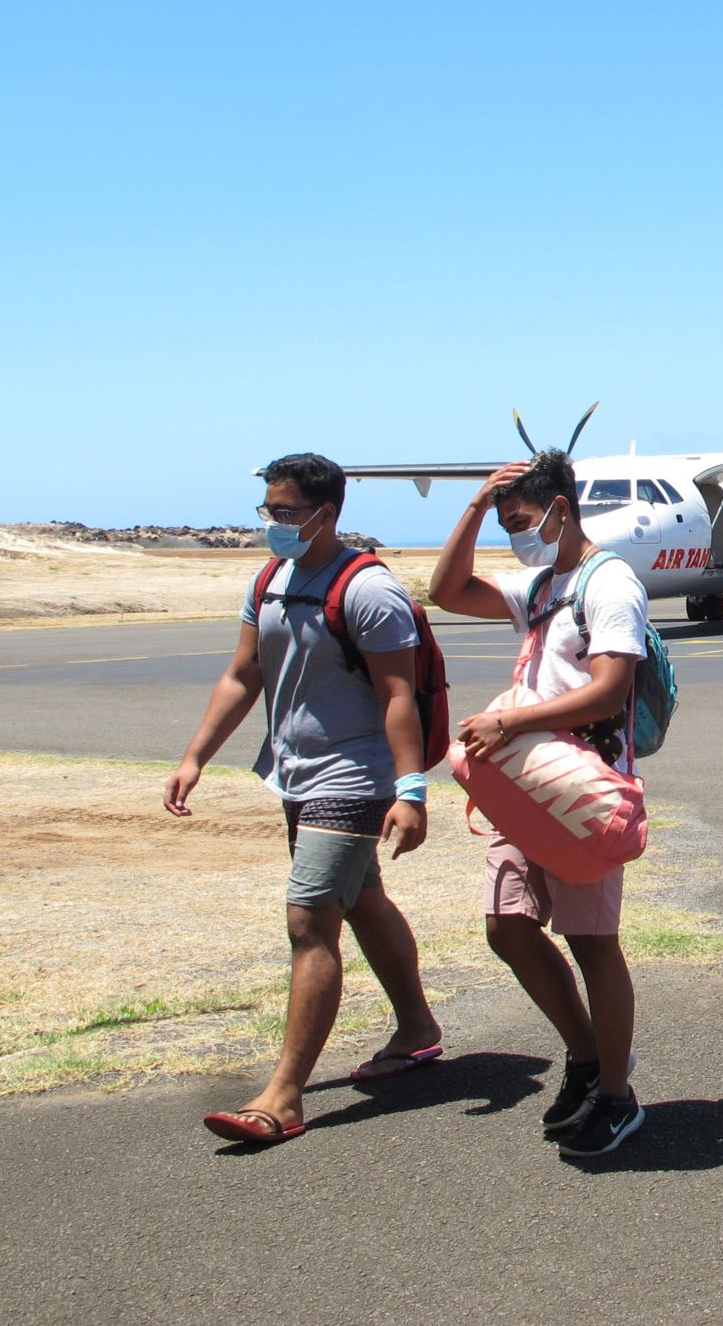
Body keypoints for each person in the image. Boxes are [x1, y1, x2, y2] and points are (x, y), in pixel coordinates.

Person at [166, 453, 440, 1147]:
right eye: (269, 510)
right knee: (361, 900)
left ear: (327, 513)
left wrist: (411, 789)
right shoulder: (271, 578)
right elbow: (241, 674)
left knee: (309, 919)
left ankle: (282, 1095)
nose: (273, 524)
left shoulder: (369, 590)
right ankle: (418, 1026)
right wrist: (196, 755)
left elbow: (398, 696)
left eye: (285, 512)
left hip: (354, 779)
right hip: (294, 774)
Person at [429, 450, 648, 1157]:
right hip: (521, 781)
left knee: (592, 944)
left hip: (578, 789)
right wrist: (472, 506)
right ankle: (588, 1058)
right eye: (504, 524)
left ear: (562, 506)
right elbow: (448, 590)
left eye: (522, 520)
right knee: (508, 926)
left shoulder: (609, 581)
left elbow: (611, 688)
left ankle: (616, 1093)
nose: (515, 535)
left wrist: (509, 723)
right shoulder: (542, 584)